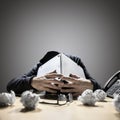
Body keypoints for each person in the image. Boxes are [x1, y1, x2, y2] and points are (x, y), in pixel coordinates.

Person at [7, 51, 101, 98]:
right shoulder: (41, 65)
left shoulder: (76, 61)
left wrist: (91, 85)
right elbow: (11, 86)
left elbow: (100, 90)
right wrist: (31, 81)